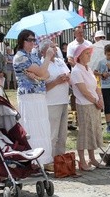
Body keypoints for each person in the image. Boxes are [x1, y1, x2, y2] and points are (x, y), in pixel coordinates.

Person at [13, 29, 54, 167]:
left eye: (33, 40)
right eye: (29, 40)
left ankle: (44, 159)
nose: (32, 43)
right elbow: (43, 70)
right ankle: (34, 161)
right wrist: (47, 57)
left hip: (39, 94)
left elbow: (46, 74)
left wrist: (37, 76)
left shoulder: (33, 56)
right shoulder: (20, 57)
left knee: (42, 126)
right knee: (32, 127)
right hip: (28, 96)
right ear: (22, 41)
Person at [70, 43, 104, 170]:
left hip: (94, 103)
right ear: (79, 56)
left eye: (90, 53)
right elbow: (84, 91)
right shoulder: (76, 71)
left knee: (94, 131)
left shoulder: (88, 69)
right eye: (86, 53)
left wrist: (100, 98)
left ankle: (92, 158)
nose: (89, 55)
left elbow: (96, 85)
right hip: (84, 105)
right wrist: (96, 100)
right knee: (85, 132)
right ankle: (82, 161)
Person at [40, 40, 70, 159]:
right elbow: (43, 87)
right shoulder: (43, 65)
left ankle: (61, 160)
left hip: (63, 100)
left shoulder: (60, 61)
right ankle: (50, 159)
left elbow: (68, 73)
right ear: (44, 52)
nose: (55, 49)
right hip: (52, 102)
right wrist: (56, 81)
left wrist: (67, 77)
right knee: (53, 134)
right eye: (51, 47)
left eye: (55, 47)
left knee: (62, 134)